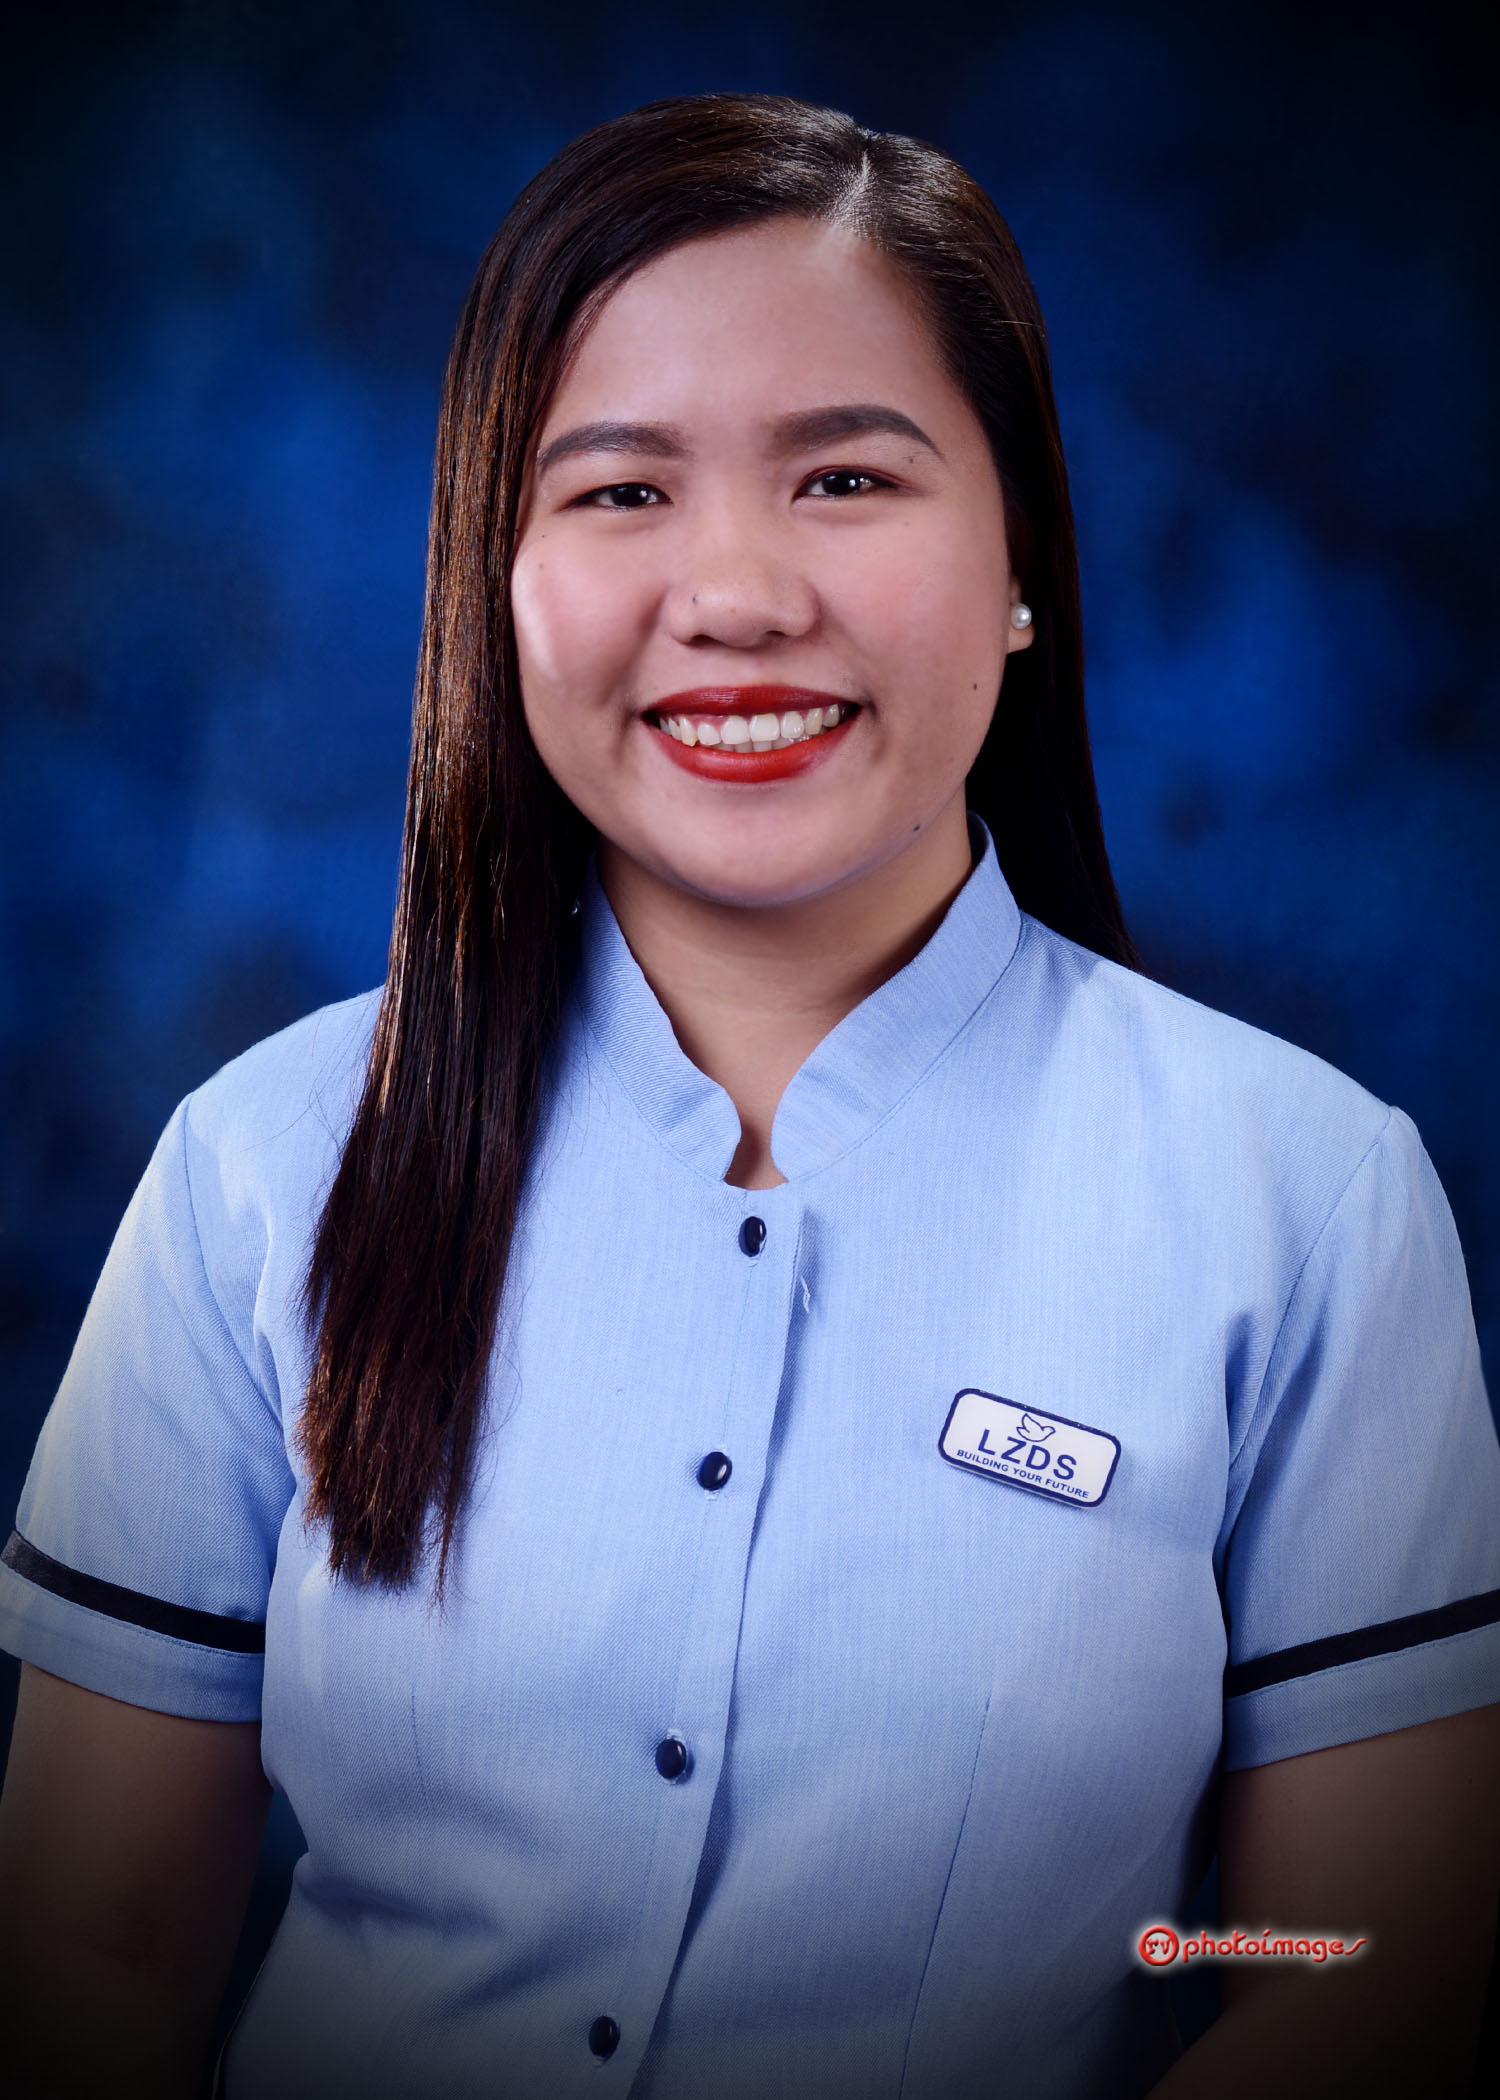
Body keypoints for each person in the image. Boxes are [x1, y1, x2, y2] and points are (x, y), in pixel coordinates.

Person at [0, 91, 1497, 2100]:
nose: (736, 592)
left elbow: (1351, 1953)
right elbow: (92, 1944)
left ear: (1026, 564)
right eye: (621, 491)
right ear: (498, 579)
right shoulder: (261, 1168)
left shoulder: (1304, 1199)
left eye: (846, 479)